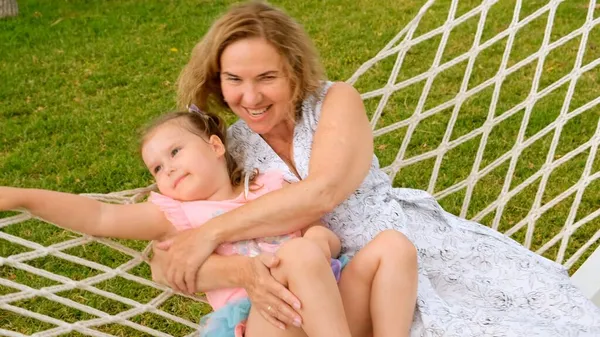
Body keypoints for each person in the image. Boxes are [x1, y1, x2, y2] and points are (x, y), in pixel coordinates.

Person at [153, 1, 600, 336]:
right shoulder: (224, 149)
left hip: (407, 254)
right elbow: (164, 266)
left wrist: (211, 234)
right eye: (234, 80)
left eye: (266, 78)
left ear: (294, 69)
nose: (250, 98)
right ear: (218, 79)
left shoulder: (335, 101)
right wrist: (243, 272)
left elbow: (323, 192)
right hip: (330, 294)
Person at [0, 109, 419, 337]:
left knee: (392, 246)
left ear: (216, 146)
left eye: (176, 152)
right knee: (297, 252)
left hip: (329, 306)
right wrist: (21, 197)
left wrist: (316, 244)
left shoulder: (269, 186)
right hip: (267, 322)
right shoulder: (174, 215)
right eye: (158, 168)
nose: (168, 169)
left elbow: (320, 225)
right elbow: (100, 215)